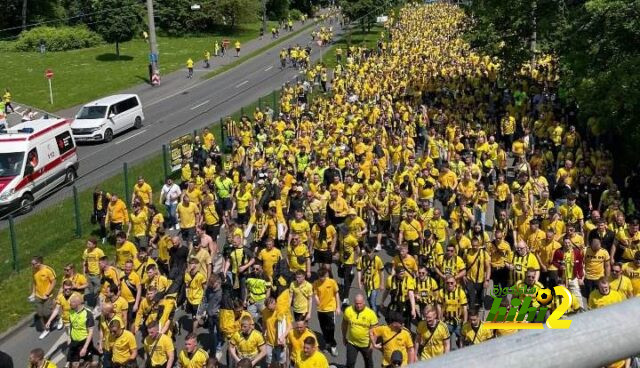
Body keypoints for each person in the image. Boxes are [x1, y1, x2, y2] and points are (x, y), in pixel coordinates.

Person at [342, 294, 378, 368]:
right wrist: (344, 337)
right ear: (354, 303)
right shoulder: (348, 310)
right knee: (350, 363)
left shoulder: (371, 314)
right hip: (352, 342)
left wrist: (372, 344)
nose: (358, 306)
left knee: (368, 364)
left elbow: (375, 330)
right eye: (357, 303)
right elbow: (344, 324)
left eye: (360, 303)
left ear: (364, 302)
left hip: (366, 344)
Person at [312, 268, 341, 356]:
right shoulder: (316, 283)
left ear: (326, 275)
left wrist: (338, 307)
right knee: (323, 328)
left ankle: (333, 345)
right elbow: (315, 293)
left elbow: (336, 294)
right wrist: (316, 299)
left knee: (331, 328)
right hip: (321, 309)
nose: (321, 279)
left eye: (323, 277)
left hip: (330, 309)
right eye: (320, 277)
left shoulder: (332, 282)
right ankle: (327, 342)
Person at [68, 294, 97, 368]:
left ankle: (97, 364)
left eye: (71, 302)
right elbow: (71, 325)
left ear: (77, 303)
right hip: (74, 342)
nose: (69, 304)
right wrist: (69, 336)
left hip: (84, 342)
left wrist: (85, 348)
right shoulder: (71, 311)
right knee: (74, 365)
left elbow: (90, 332)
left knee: (87, 364)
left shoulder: (88, 314)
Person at [30, 256, 56, 334]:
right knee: (40, 313)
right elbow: (35, 282)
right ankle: (45, 327)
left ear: (39, 263)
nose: (32, 266)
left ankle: (54, 314)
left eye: (33, 264)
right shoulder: (34, 271)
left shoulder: (48, 270)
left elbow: (54, 282)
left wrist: (47, 293)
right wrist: (33, 293)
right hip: (38, 295)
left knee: (46, 313)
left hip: (47, 296)